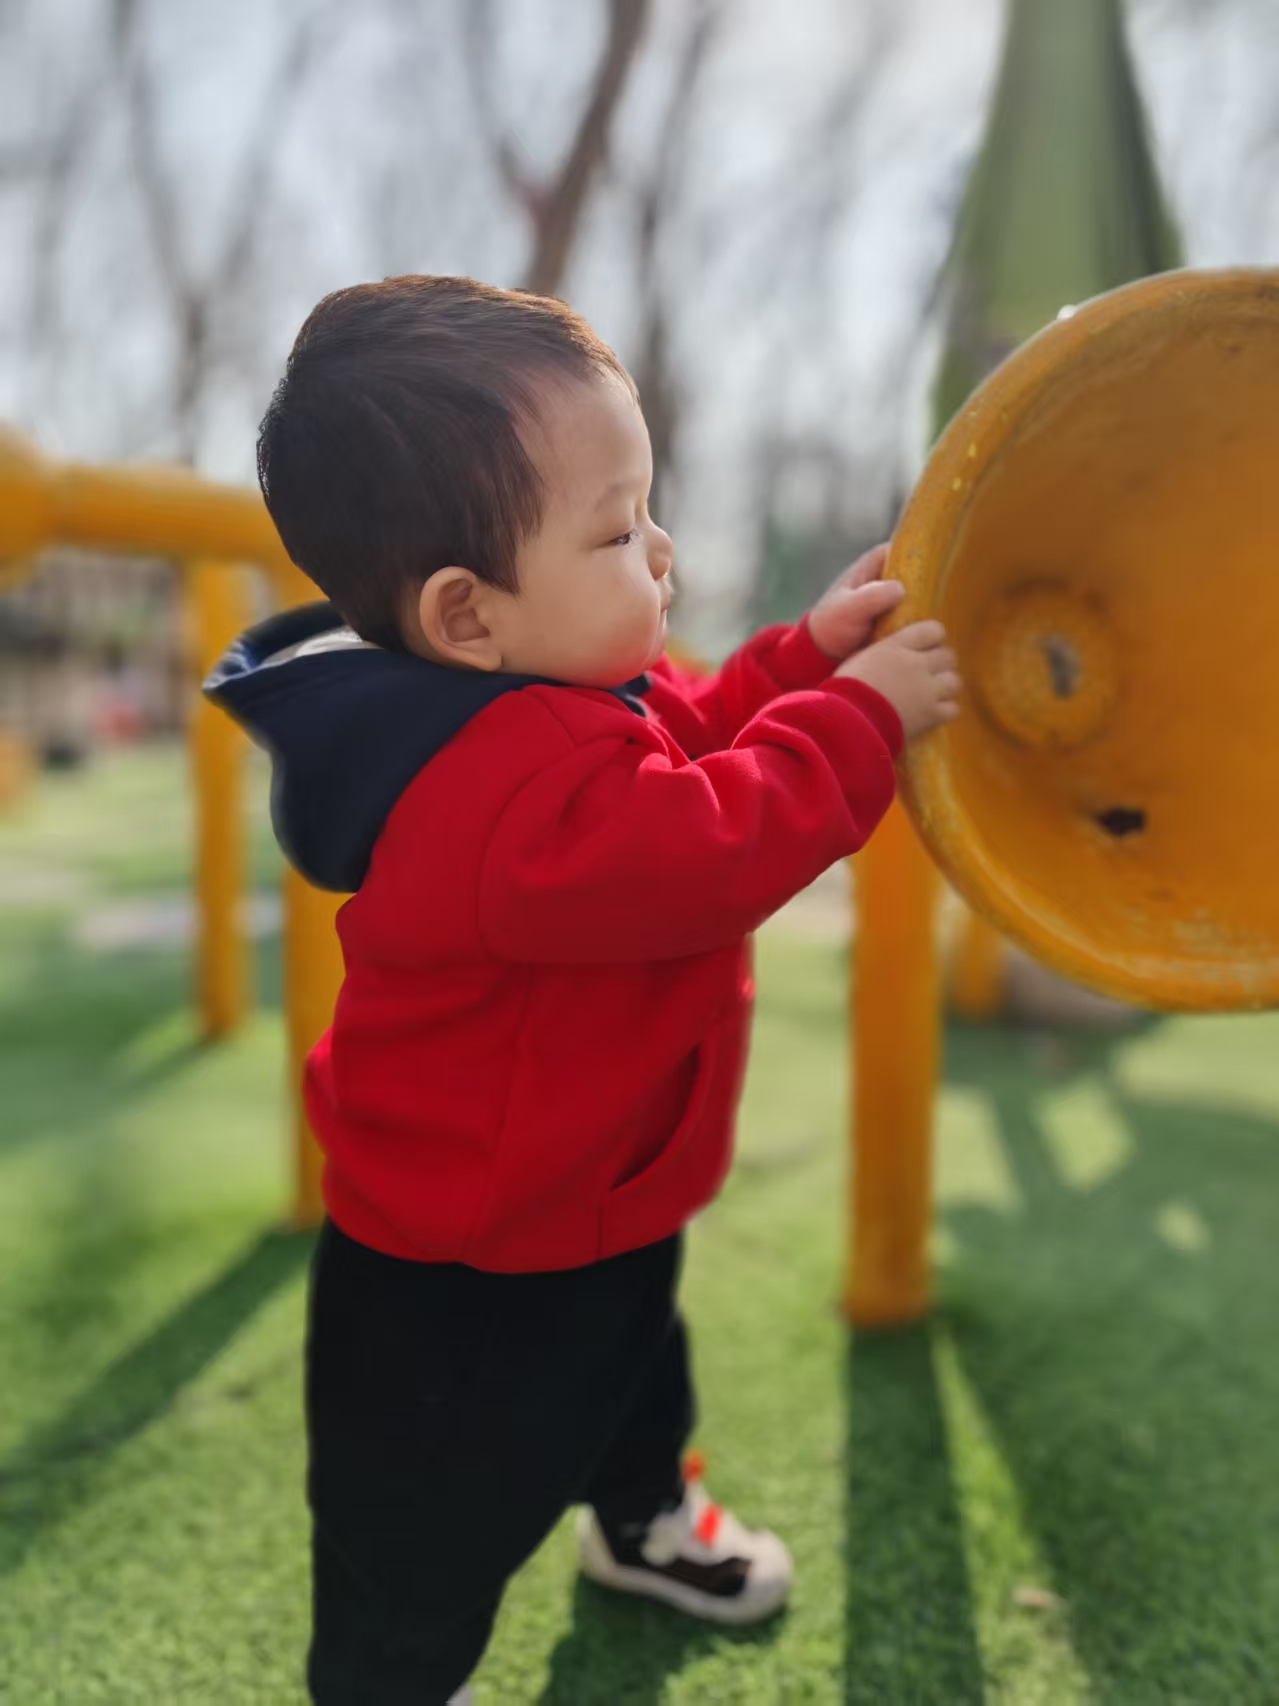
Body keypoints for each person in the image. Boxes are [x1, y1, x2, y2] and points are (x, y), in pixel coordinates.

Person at [208, 275, 959, 1706]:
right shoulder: (490, 786)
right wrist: (858, 719)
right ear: (466, 614)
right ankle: (384, 1680)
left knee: (629, 1360)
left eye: (647, 510)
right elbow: (708, 844)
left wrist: (808, 656)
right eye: (617, 531)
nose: (661, 551)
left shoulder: (562, 692)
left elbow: (697, 729)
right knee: (419, 1530)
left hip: (590, 1188)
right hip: (466, 1268)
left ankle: (641, 1517)